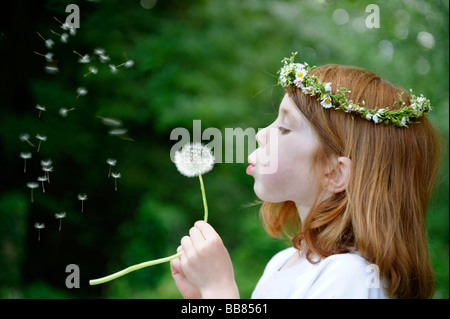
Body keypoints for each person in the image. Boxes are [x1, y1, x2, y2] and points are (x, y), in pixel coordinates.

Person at [169, 52, 440, 299]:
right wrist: (202, 297)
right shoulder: (284, 262)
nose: (261, 134)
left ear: (335, 173)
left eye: (285, 128)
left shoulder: (350, 276)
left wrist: (220, 290)